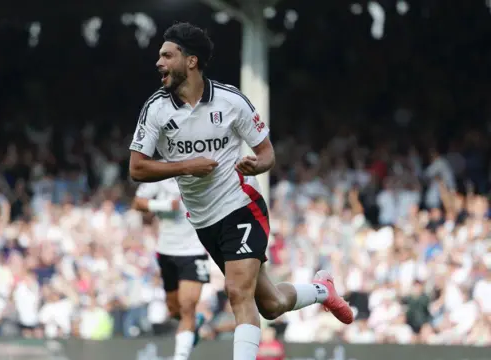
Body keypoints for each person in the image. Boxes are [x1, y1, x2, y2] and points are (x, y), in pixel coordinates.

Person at [128, 22, 353, 360]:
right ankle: (322, 290)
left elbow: (267, 153)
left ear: (191, 61)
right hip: (204, 219)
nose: (158, 63)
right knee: (271, 304)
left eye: (166, 55)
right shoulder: (156, 109)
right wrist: (185, 166)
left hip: (241, 203)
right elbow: (137, 168)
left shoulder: (232, 101)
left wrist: (257, 165)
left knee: (237, 293)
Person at [132, 178, 209, 360]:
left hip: (195, 250)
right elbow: (137, 202)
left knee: (187, 305)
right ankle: (194, 323)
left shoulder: (203, 169)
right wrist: (165, 205)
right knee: (175, 310)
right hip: (167, 251)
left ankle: (180, 357)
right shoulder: (160, 173)